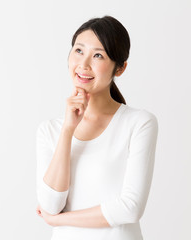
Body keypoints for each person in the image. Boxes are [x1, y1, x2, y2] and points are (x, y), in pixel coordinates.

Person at [35, 16, 158, 240]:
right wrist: (67, 131)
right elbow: (50, 204)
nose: (83, 64)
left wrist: (58, 220)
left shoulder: (139, 123)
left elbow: (130, 208)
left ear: (119, 68)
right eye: (79, 50)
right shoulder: (50, 130)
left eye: (98, 55)